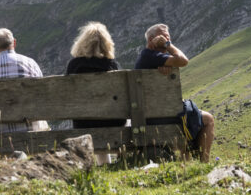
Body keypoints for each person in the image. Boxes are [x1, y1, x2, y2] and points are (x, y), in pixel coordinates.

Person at [134, 23, 215, 162]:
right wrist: (169, 45)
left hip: (149, 115)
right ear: (151, 39)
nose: (166, 39)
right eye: (162, 36)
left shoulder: (150, 58)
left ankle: (188, 161)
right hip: (165, 117)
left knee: (190, 113)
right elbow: (183, 61)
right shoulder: (151, 55)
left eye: (168, 37)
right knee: (208, 119)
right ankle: (204, 162)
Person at [66, 21, 126, 165]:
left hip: (83, 122)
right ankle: (114, 163)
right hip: (113, 121)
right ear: (107, 44)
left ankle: (104, 164)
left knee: (90, 117)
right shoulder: (111, 65)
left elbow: (67, 95)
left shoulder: (75, 65)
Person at [0, 28, 46, 132]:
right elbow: (42, 93)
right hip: (32, 130)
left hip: (0, 133)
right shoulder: (30, 64)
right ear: (14, 42)